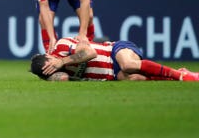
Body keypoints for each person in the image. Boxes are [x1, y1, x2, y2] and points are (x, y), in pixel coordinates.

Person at [29, 37, 199, 82]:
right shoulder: (55, 72)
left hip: (114, 51)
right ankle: (174, 77)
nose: (54, 67)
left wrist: (62, 62)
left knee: (128, 65)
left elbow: (90, 53)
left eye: (51, 63)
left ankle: (180, 75)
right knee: (134, 79)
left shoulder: (62, 46)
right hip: (112, 74)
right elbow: (64, 79)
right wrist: (51, 75)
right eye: (50, 69)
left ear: (50, 55)